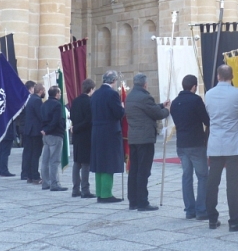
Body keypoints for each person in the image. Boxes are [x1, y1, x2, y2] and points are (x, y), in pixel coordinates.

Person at [205, 64, 238, 232]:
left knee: (213, 182)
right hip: (233, 143)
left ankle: (212, 217)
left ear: (218, 76)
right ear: (232, 77)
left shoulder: (209, 94)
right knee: (233, 184)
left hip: (215, 143)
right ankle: (234, 220)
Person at [126, 73, 170, 211]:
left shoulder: (130, 96)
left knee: (134, 170)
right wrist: (167, 110)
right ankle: (142, 202)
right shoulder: (145, 96)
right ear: (145, 84)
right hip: (145, 138)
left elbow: (148, 108)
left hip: (133, 137)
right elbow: (157, 114)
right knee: (143, 171)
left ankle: (133, 201)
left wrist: (161, 105)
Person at [170, 74, 210, 220]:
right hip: (196, 142)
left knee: (187, 176)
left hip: (181, 143)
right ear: (194, 87)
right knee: (203, 176)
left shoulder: (175, 102)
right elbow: (206, 120)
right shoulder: (196, 100)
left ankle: (189, 210)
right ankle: (201, 209)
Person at [90, 71, 125, 203]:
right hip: (109, 132)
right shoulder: (112, 94)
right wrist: (122, 107)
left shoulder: (96, 93)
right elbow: (118, 113)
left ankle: (99, 192)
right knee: (108, 162)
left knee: (99, 162)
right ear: (114, 80)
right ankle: (106, 194)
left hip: (97, 131)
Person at [70, 78, 96, 198]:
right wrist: (77, 128)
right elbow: (88, 120)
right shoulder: (89, 102)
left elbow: (73, 117)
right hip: (85, 135)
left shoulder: (75, 101)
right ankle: (85, 190)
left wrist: (75, 128)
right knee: (85, 163)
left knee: (77, 163)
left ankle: (75, 189)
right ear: (91, 89)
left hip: (76, 136)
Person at [40, 86, 67, 191]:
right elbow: (56, 120)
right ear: (56, 94)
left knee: (45, 160)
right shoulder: (57, 105)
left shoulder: (44, 104)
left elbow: (41, 119)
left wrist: (44, 130)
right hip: (55, 134)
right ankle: (54, 184)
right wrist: (49, 129)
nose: (60, 95)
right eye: (59, 93)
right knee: (54, 160)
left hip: (45, 135)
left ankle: (45, 183)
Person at [22, 82, 44, 184]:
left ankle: (29, 176)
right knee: (36, 154)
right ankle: (35, 176)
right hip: (35, 131)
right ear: (40, 91)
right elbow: (41, 115)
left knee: (30, 154)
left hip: (29, 130)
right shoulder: (37, 100)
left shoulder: (31, 99)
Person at [20, 80, 36, 180]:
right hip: (27, 128)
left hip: (25, 127)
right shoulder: (28, 99)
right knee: (28, 151)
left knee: (27, 151)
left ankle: (26, 172)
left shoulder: (25, 99)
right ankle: (26, 172)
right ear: (30, 89)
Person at [0, 112, 16, 177]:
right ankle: (4, 170)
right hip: (8, 133)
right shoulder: (9, 109)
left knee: (0, 151)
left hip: (0, 132)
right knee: (5, 152)